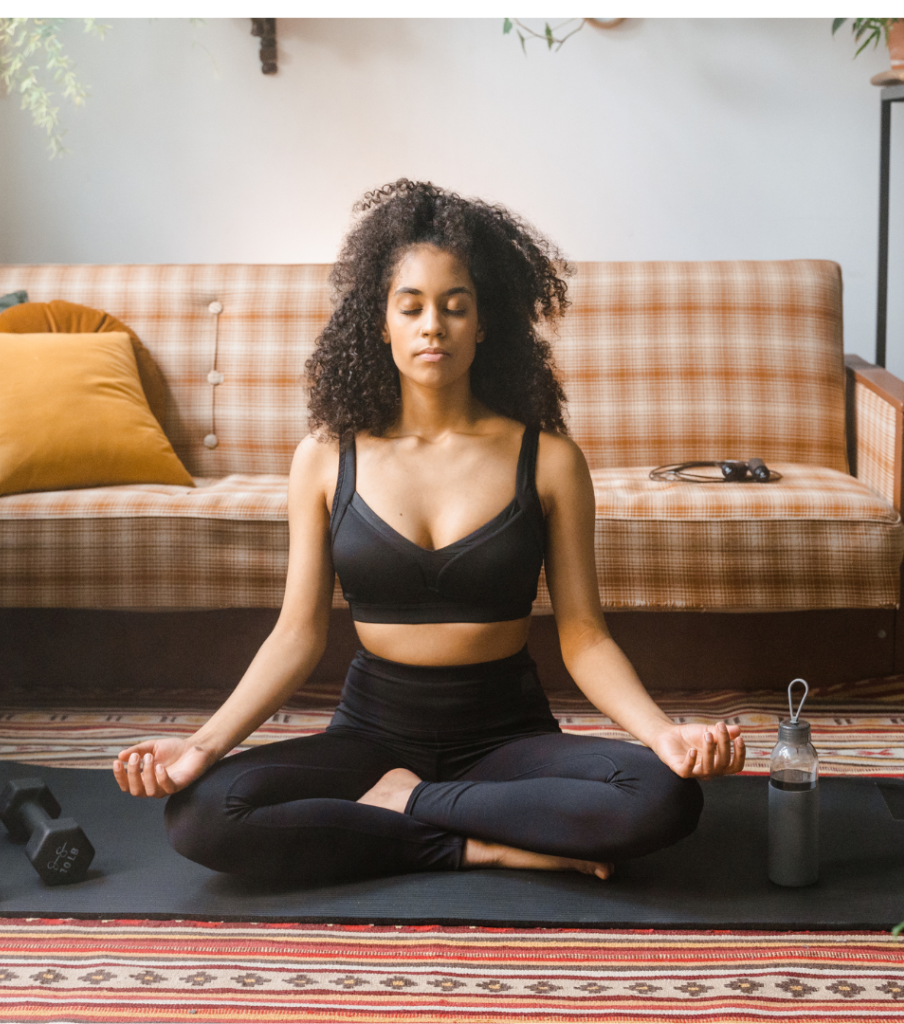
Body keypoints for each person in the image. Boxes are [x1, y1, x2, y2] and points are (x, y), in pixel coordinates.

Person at [113, 179, 745, 887]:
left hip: (507, 737)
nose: (433, 326)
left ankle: (405, 805)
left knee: (662, 797)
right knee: (203, 814)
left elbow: (585, 637)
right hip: (371, 734)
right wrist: (202, 746)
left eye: (455, 306)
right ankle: (480, 845)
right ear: (381, 323)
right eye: (410, 306)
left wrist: (664, 734)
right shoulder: (325, 458)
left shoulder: (549, 460)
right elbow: (296, 635)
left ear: (484, 323)